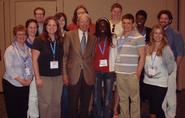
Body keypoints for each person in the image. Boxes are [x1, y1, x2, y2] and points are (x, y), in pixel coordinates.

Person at [62, 13, 96, 118]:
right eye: (82, 21)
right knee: (72, 104)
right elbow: (64, 56)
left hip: (88, 76)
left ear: (89, 24)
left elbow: (93, 57)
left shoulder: (93, 38)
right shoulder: (69, 35)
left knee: (85, 105)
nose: (84, 24)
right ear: (77, 23)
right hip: (73, 75)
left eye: (87, 22)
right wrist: (65, 75)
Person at [32, 16, 63, 118]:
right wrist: (37, 78)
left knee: (56, 103)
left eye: (54, 25)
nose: (51, 27)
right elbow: (34, 60)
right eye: (49, 25)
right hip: (44, 77)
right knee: (45, 104)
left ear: (57, 27)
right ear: (45, 26)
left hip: (58, 77)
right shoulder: (38, 40)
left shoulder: (60, 40)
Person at [115, 13, 145, 118]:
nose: (126, 25)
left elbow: (142, 56)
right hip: (120, 73)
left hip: (132, 74)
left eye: (128, 23)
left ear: (133, 24)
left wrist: (138, 73)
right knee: (123, 99)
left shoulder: (139, 37)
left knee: (135, 100)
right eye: (124, 23)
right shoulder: (119, 36)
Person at [144, 24, 176, 118]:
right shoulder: (148, 47)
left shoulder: (166, 49)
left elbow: (171, 68)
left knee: (157, 108)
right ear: (152, 35)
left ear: (163, 35)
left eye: (160, 33)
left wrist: (161, 73)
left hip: (160, 83)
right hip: (148, 81)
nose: (158, 35)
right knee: (152, 108)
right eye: (155, 33)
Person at [157, 10, 185, 118]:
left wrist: (174, 68)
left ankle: (171, 115)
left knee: (171, 94)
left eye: (165, 18)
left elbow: (180, 53)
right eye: (161, 18)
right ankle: (163, 114)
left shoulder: (175, 34)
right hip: (159, 69)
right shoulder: (158, 32)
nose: (163, 20)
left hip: (170, 68)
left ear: (170, 20)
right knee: (161, 94)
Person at [3, 25, 33, 118]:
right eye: (19, 34)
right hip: (12, 84)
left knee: (24, 108)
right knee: (13, 110)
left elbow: (32, 66)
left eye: (24, 34)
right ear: (15, 36)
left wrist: (30, 79)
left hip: (25, 83)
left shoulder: (28, 49)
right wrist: (21, 80)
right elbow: (9, 69)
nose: (22, 36)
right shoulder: (10, 50)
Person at [93, 17, 115, 118]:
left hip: (109, 72)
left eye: (104, 25)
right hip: (96, 71)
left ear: (108, 27)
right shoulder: (93, 38)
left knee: (108, 98)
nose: (102, 27)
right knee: (96, 98)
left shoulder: (113, 39)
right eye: (100, 25)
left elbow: (116, 54)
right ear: (97, 27)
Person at [108, 3, 123, 117]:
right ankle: (107, 107)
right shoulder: (105, 23)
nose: (116, 14)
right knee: (106, 85)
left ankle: (115, 109)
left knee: (118, 85)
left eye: (119, 12)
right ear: (111, 12)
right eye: (114, 11)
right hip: (107, 59)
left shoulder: (125, 25)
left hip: (119, 59)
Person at [135, 9, 152, 108]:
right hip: (133, 64)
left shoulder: (150, 32)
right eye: (137, 18)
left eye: (142, 18)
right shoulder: (132, 31)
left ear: (145, 19)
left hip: (146, 65)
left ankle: (140, 107)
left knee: (143, 87)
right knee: (133, 88)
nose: (139, 20)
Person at [54, 12, 69, 118]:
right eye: (58, 20)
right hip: (54, 70)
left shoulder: (70, 34)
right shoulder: (52, 35)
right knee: (55, 97)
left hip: (67, 69)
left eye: (63, 20)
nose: (61, 22)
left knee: (65, 96)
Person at [25, 18, 39, 118]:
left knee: (35, 97)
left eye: (35, 28)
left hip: (38, 73)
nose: (33, 30)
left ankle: (35, 115)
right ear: (27, 29)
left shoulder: (40, 41)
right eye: (31, 27)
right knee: (28, 97)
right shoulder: (23, 42)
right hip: (26, 75)